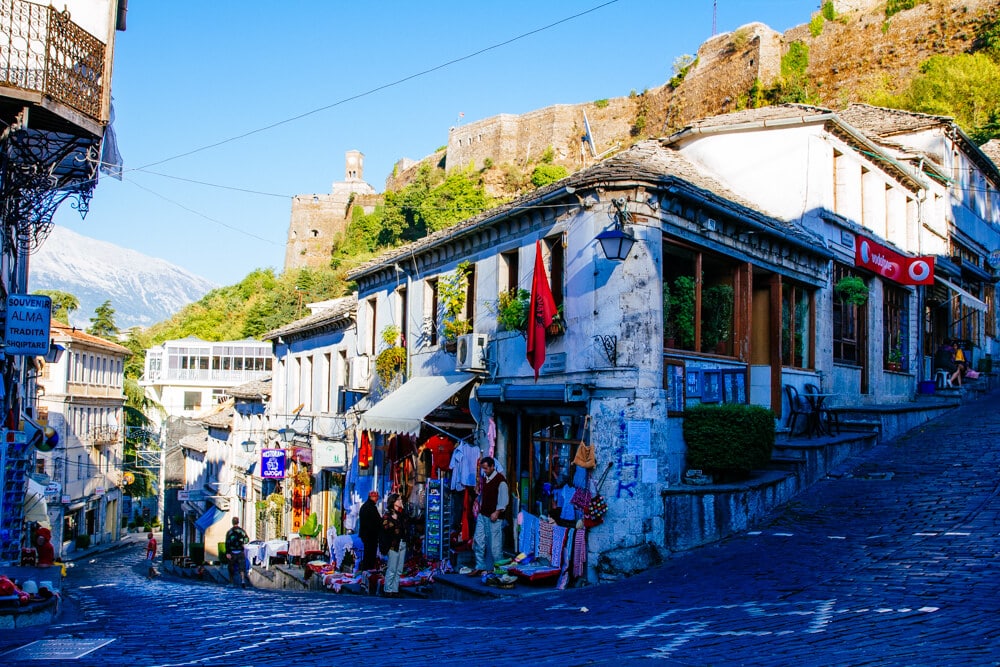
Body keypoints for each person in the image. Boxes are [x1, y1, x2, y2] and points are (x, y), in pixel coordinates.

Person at [473, 456, 508, 575]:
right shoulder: (486, 478)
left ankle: (500, 570)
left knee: (495, 546)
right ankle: (480, 566)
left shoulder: (500, 480)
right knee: (478, 540)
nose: (485, 471)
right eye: (483, 469)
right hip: (483, 515)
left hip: (494, 517)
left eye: (486, 468)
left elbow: (504, 500)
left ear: (493, 467)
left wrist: (497, 512)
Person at [379, 493, 407, 598]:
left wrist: (403, 509)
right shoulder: (387, 516)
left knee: (399, 568)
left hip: (402, 543)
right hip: (393, 545)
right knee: (392, 568)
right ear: (393, 502)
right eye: (398, 500)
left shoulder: (401, 515)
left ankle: (395, 589)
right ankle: (388, 589)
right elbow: (384, 531)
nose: (401, 501)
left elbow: (407, 522)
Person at [358, 491, 381, 571]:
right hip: (371, 535)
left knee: (367, 555)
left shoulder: (364, 506)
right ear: (373, 498)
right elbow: (377, 521)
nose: (377, 499)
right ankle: (368, 574)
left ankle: (366, 572)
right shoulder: (371, 507)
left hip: (366, 535)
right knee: (370, 556)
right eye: (376, 497)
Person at [225, 517, 250, 588]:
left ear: (232, 522)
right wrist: (241, 543)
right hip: (240, 551)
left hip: (232, 552)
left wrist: (227, 552)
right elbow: (247, 539)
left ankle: (231, 582)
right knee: (241, 567)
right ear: (238, 522)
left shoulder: (229, 532)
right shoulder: (242, 531)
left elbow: (227, 543)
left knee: (231, 567)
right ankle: (242, 580)